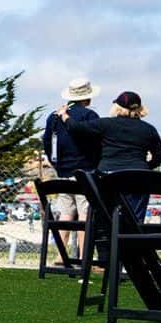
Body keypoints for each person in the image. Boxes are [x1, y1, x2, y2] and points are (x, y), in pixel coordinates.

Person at [65, 90, 161, 223]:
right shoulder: (149, 129)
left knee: (106, 219)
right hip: (139, 178)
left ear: (117, 107)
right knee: (135, 221)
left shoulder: (106, 124)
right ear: (140, 109)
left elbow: (76, 128)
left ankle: (109, 236)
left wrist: (64, 115)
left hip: (108, 175)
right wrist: (145, 167)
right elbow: (159, 156)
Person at [42, 77, 101, 258]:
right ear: (87, 97)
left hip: (63, 171)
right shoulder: (89, 116)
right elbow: (97, 143)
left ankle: (61, 256)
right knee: (85, 213)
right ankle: (84, 256)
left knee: (66, 213)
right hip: (85, 170)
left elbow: (47, 142)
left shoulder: (53, 117)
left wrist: (56, 164)